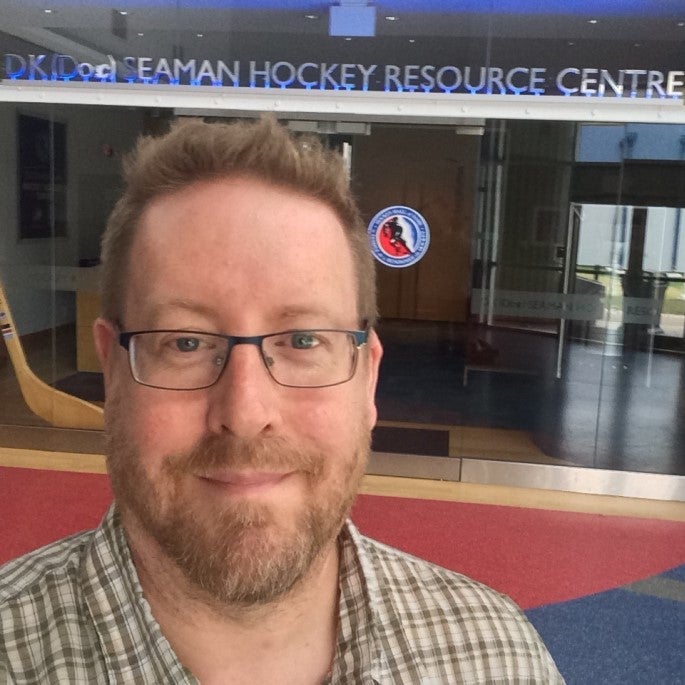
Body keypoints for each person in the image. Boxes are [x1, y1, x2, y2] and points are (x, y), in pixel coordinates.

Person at [0, 117, 564, 684]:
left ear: (367, 381)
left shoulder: (500, 660)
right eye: (187, 342)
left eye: (302, 341)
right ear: (113, 373)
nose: (245, 414)